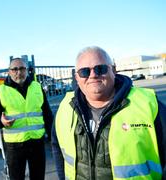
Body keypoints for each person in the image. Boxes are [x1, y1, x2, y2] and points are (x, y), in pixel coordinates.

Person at [51, 46, 166, 180]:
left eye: (100, 68)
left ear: (113, 70)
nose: (93, 75)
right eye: (84, 72)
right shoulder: (66, 107)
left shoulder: (147, 104)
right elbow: (57, 148)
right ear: (77, 78)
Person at [0, 58, 53, 180]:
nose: (19, 72)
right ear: (9, 71)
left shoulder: (37, 87)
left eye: (22, 68)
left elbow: (47, 114)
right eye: (15, 69)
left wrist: (52, 137)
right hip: (14, 146)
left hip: (37, 142)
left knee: (38, 177)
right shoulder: (1, 91)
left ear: (27, 70)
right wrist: (1, 121)